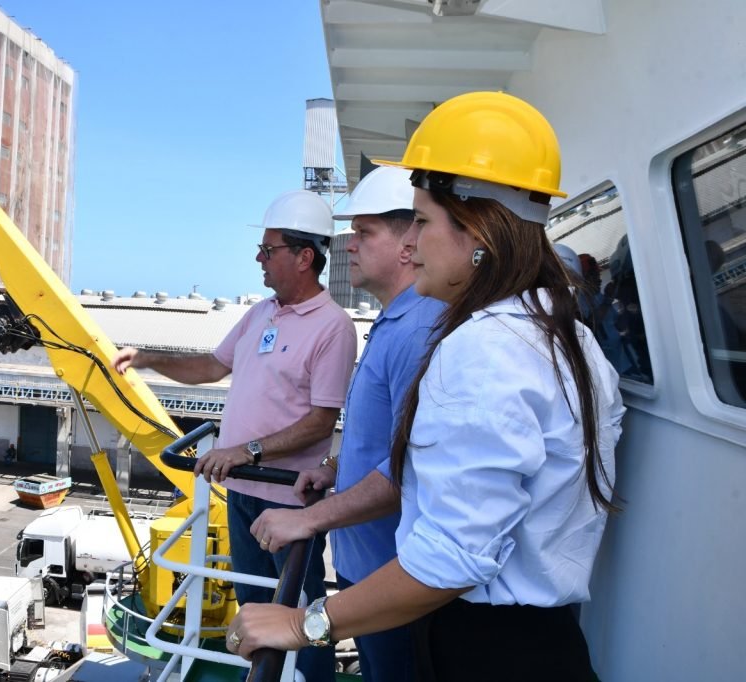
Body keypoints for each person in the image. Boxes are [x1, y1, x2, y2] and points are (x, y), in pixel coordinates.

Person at [228, 91, 625, 681]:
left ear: (479, 231)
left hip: (484, 650)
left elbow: (453, 558)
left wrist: (303, 624)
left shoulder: (486, 348)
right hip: (542, 640)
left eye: (421, 220)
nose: (410, 243)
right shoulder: (565, 333)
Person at [112, 189, 357, 682]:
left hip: (289, 501)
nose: (258, 259)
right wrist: (147, 358)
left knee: (301, 611)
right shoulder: (261, 313)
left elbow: (321, 420)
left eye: (268, 250)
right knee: (253, 606)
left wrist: (246, 451)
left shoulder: (334, 328)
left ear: (304, 257)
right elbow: (210, 366)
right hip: (242, 493)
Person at [257, 165, 444, 680]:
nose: (350, 245)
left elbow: (411, 468)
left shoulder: (418, 331)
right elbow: (389, 437)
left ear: (408, 244)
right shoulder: (395, 321)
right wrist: (336, 467)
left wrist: (310, 518)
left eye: (364, 232)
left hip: (394, 580)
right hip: (370, 568)